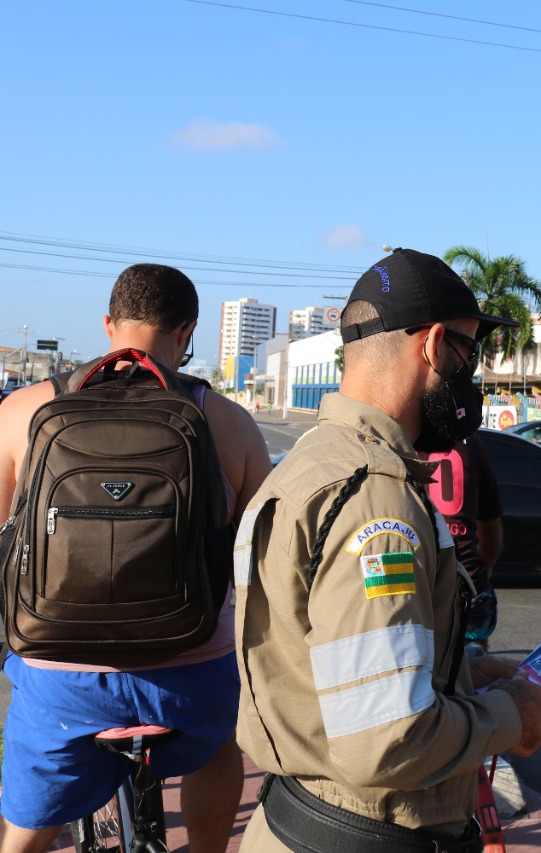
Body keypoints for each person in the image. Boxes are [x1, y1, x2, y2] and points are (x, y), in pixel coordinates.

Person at [235, 248, 541, 850]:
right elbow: (385, 740)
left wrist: (463, 669)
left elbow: (326, 657)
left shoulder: (311, 461)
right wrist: (513, 715)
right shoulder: (377, 504)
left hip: (299, 821)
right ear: (434, 345)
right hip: (365, 833)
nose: (472, 373)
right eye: (469, 352)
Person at [0, 264, 272, 853]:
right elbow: (267, 557)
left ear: (107, 324)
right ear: (188, 331)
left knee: (27, 818)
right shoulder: (228, 423)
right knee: (219, 747)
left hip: (60, 671)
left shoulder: (22, 413)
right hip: (190, 667)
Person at [424, 434, 504, 648]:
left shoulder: (395, 441)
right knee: (474, 668)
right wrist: (480, 575)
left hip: (418, 591)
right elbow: (491, 537)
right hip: (467, 585)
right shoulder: (472, 445)